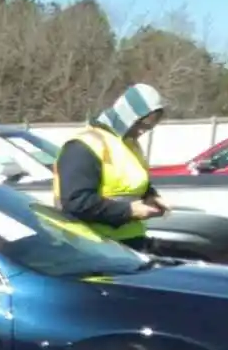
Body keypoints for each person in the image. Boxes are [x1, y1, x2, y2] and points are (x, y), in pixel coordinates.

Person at [53, 84, 169, 245]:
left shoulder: (129, 145)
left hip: (127, 243)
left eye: (149, 127)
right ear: (128, 116)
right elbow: (76, 202)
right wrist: (130, 210)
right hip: (90, 245)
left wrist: (151, 196)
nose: (143, 131)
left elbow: (134, 183)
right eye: (141, 124)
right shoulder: (84, 145)